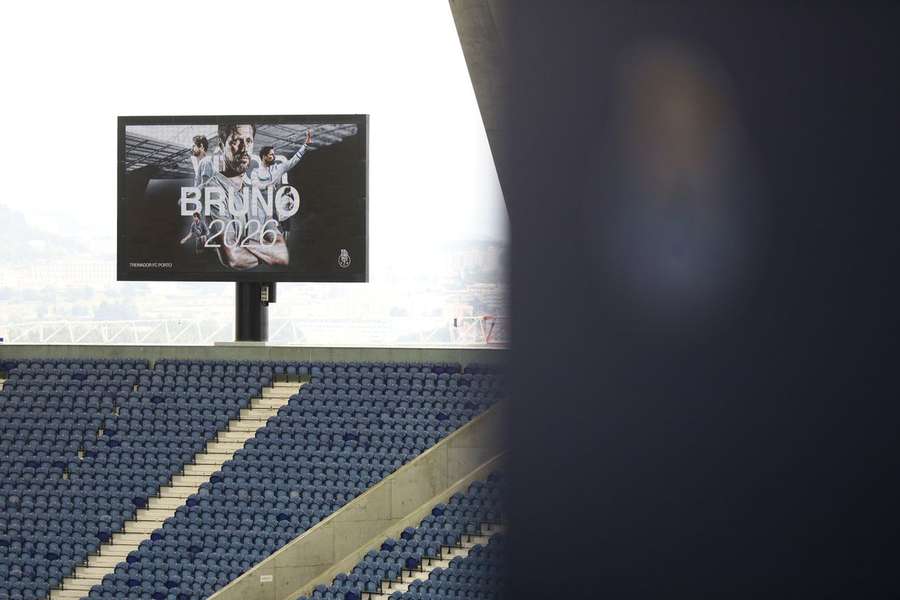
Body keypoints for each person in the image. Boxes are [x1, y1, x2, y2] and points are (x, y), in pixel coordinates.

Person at [202, 123, 289, 270]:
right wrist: (269, 254)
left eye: (248, 141)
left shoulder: (253, 194)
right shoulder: (212, 190)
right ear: (222, 146)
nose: (244, 148)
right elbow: (234, 258)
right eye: (236, 141)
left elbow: (283, 254)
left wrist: (244, 243)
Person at [250, 129, 312, 241]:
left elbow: (293, 161)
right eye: (271, 155)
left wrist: (305, 145)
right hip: (262, 209)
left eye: (274, 155)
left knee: (284, 231)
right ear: (264, 157)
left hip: (276, 207)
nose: (273, 157)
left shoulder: (278, 168)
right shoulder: (255, 172)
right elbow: (255, 184)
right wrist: (267, 186)